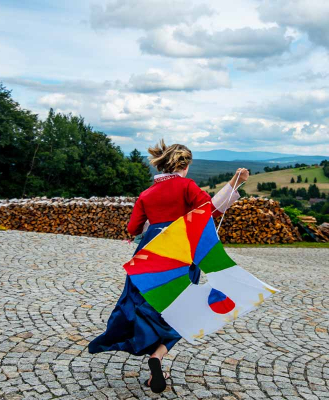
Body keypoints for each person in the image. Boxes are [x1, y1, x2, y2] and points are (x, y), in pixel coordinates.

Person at [88, 139, 249, 393]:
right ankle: (158, 356)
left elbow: (132, 228)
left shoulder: (146, 194)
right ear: (185, 166)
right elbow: (209, 210)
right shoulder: (187, 186)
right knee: (182, 309)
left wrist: (153, 226)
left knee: (147, 306)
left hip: (148, 258)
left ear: (162, 166)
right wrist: (234, 183)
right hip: (181, 256)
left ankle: (150, 356)